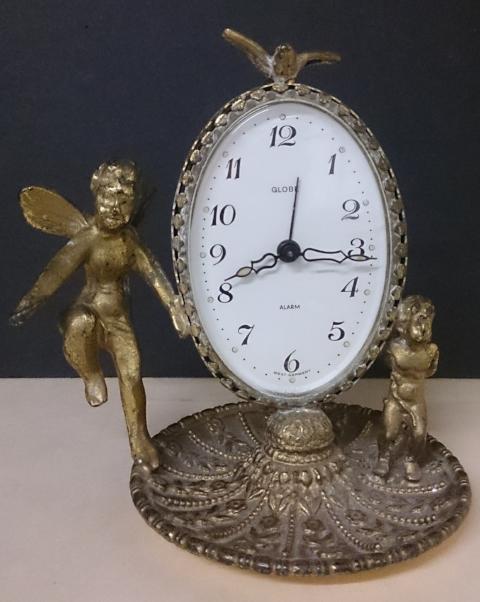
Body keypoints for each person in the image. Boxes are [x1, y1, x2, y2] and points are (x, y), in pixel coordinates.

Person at [11, 160, 188, 470]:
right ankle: (91, 373)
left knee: (132, 375)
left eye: (124, 200)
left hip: (119, 321)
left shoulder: (129, 240)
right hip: (89, 310)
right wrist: (31, 301)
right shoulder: (88, 239)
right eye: (107, 197)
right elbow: (56, 272)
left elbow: (153, 273)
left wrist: (173, 306)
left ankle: (139, 439)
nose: (115, 207)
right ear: (95, 196)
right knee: (81, 323)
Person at [374, 295, 439, 481]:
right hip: (396, 398)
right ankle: (384, 456)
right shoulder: (394, 348)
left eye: (426, 321)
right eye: (418, 321)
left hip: (416, 400)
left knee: (419, 434)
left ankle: (412, 460)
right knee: (389, 432)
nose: (423, 327)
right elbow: (389, 364)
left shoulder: (431, 351)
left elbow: (430, 371)